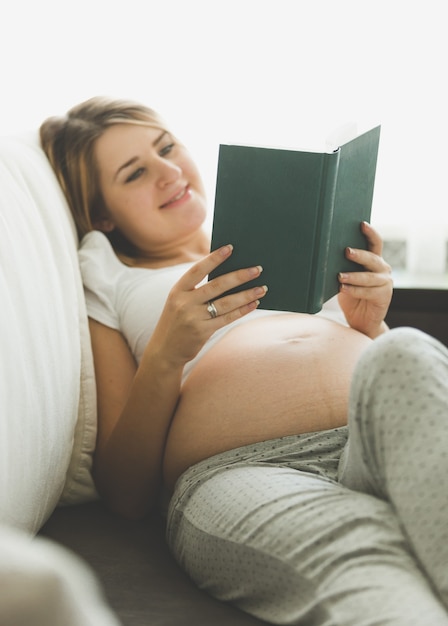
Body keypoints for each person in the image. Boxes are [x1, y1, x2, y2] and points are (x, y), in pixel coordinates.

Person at [40, 97, 448, 625]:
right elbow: (125, 494)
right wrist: (168, 350)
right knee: (377, 580)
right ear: (102, 215)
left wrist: (369, 325)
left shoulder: (291, 240)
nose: (167, 172)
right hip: (249, 471)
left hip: (373, 435)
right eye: (135, 173)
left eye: (167, 148)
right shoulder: (112, 277)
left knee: (404, 348)